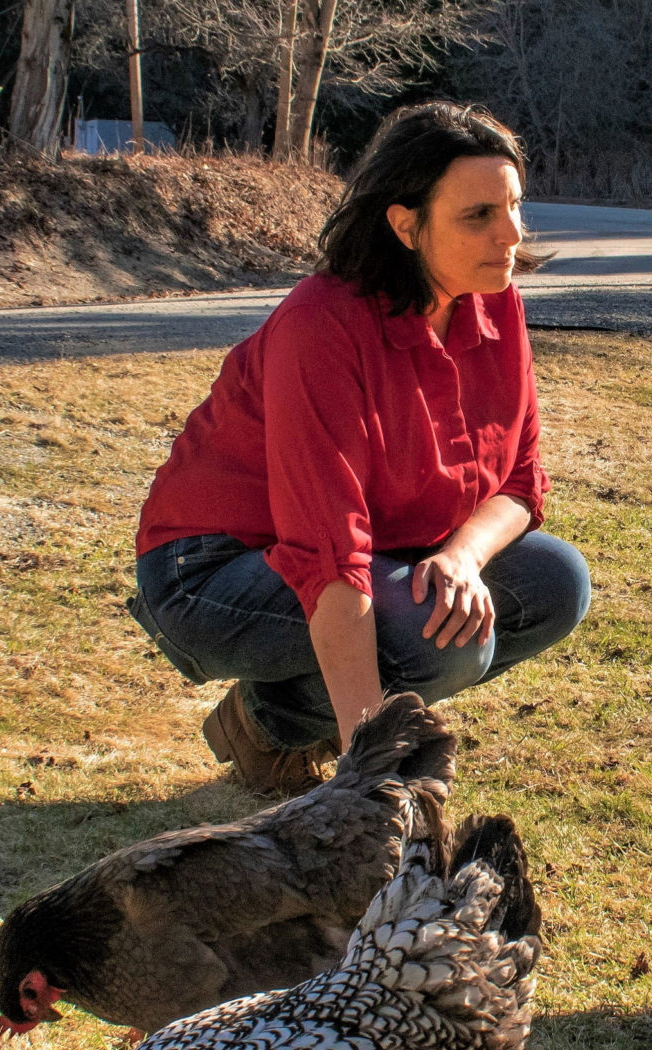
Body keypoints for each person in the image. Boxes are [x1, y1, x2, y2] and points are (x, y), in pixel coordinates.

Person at [128, 102, 592, 794]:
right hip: (211, 568)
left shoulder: (496, 301)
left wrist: (461, 558)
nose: (511, 234)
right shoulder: (322, 326)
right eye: (479, 216)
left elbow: (520, 482)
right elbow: (329, 557)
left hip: (377, 554)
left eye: (515, 207)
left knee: (556, 582)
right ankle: (285, 733)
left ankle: (270, 721)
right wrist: (370, 785)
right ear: (405, 225)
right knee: (440, 635)